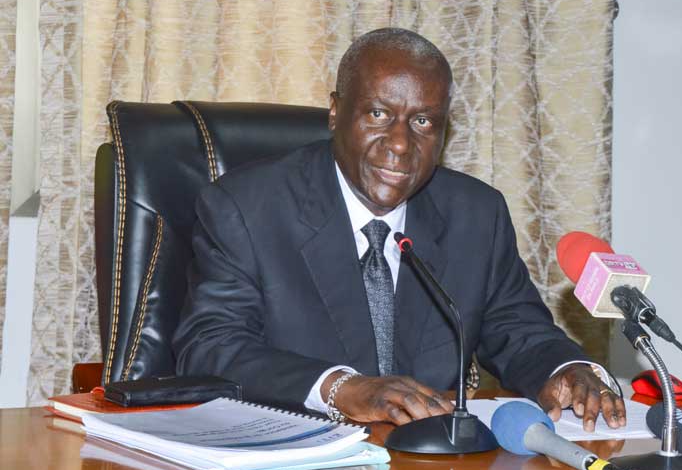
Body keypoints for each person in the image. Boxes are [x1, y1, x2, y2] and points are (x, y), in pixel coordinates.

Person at [174, 28, 626, 431]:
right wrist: (341, 389)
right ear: (335, 112)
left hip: (432, 467)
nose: (400, 144)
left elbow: (518, 330)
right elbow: (211, 346)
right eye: (377, 114)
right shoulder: (247, 207)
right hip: (292, 462)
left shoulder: (475, 214)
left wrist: (565, 370)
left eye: (423, 121)